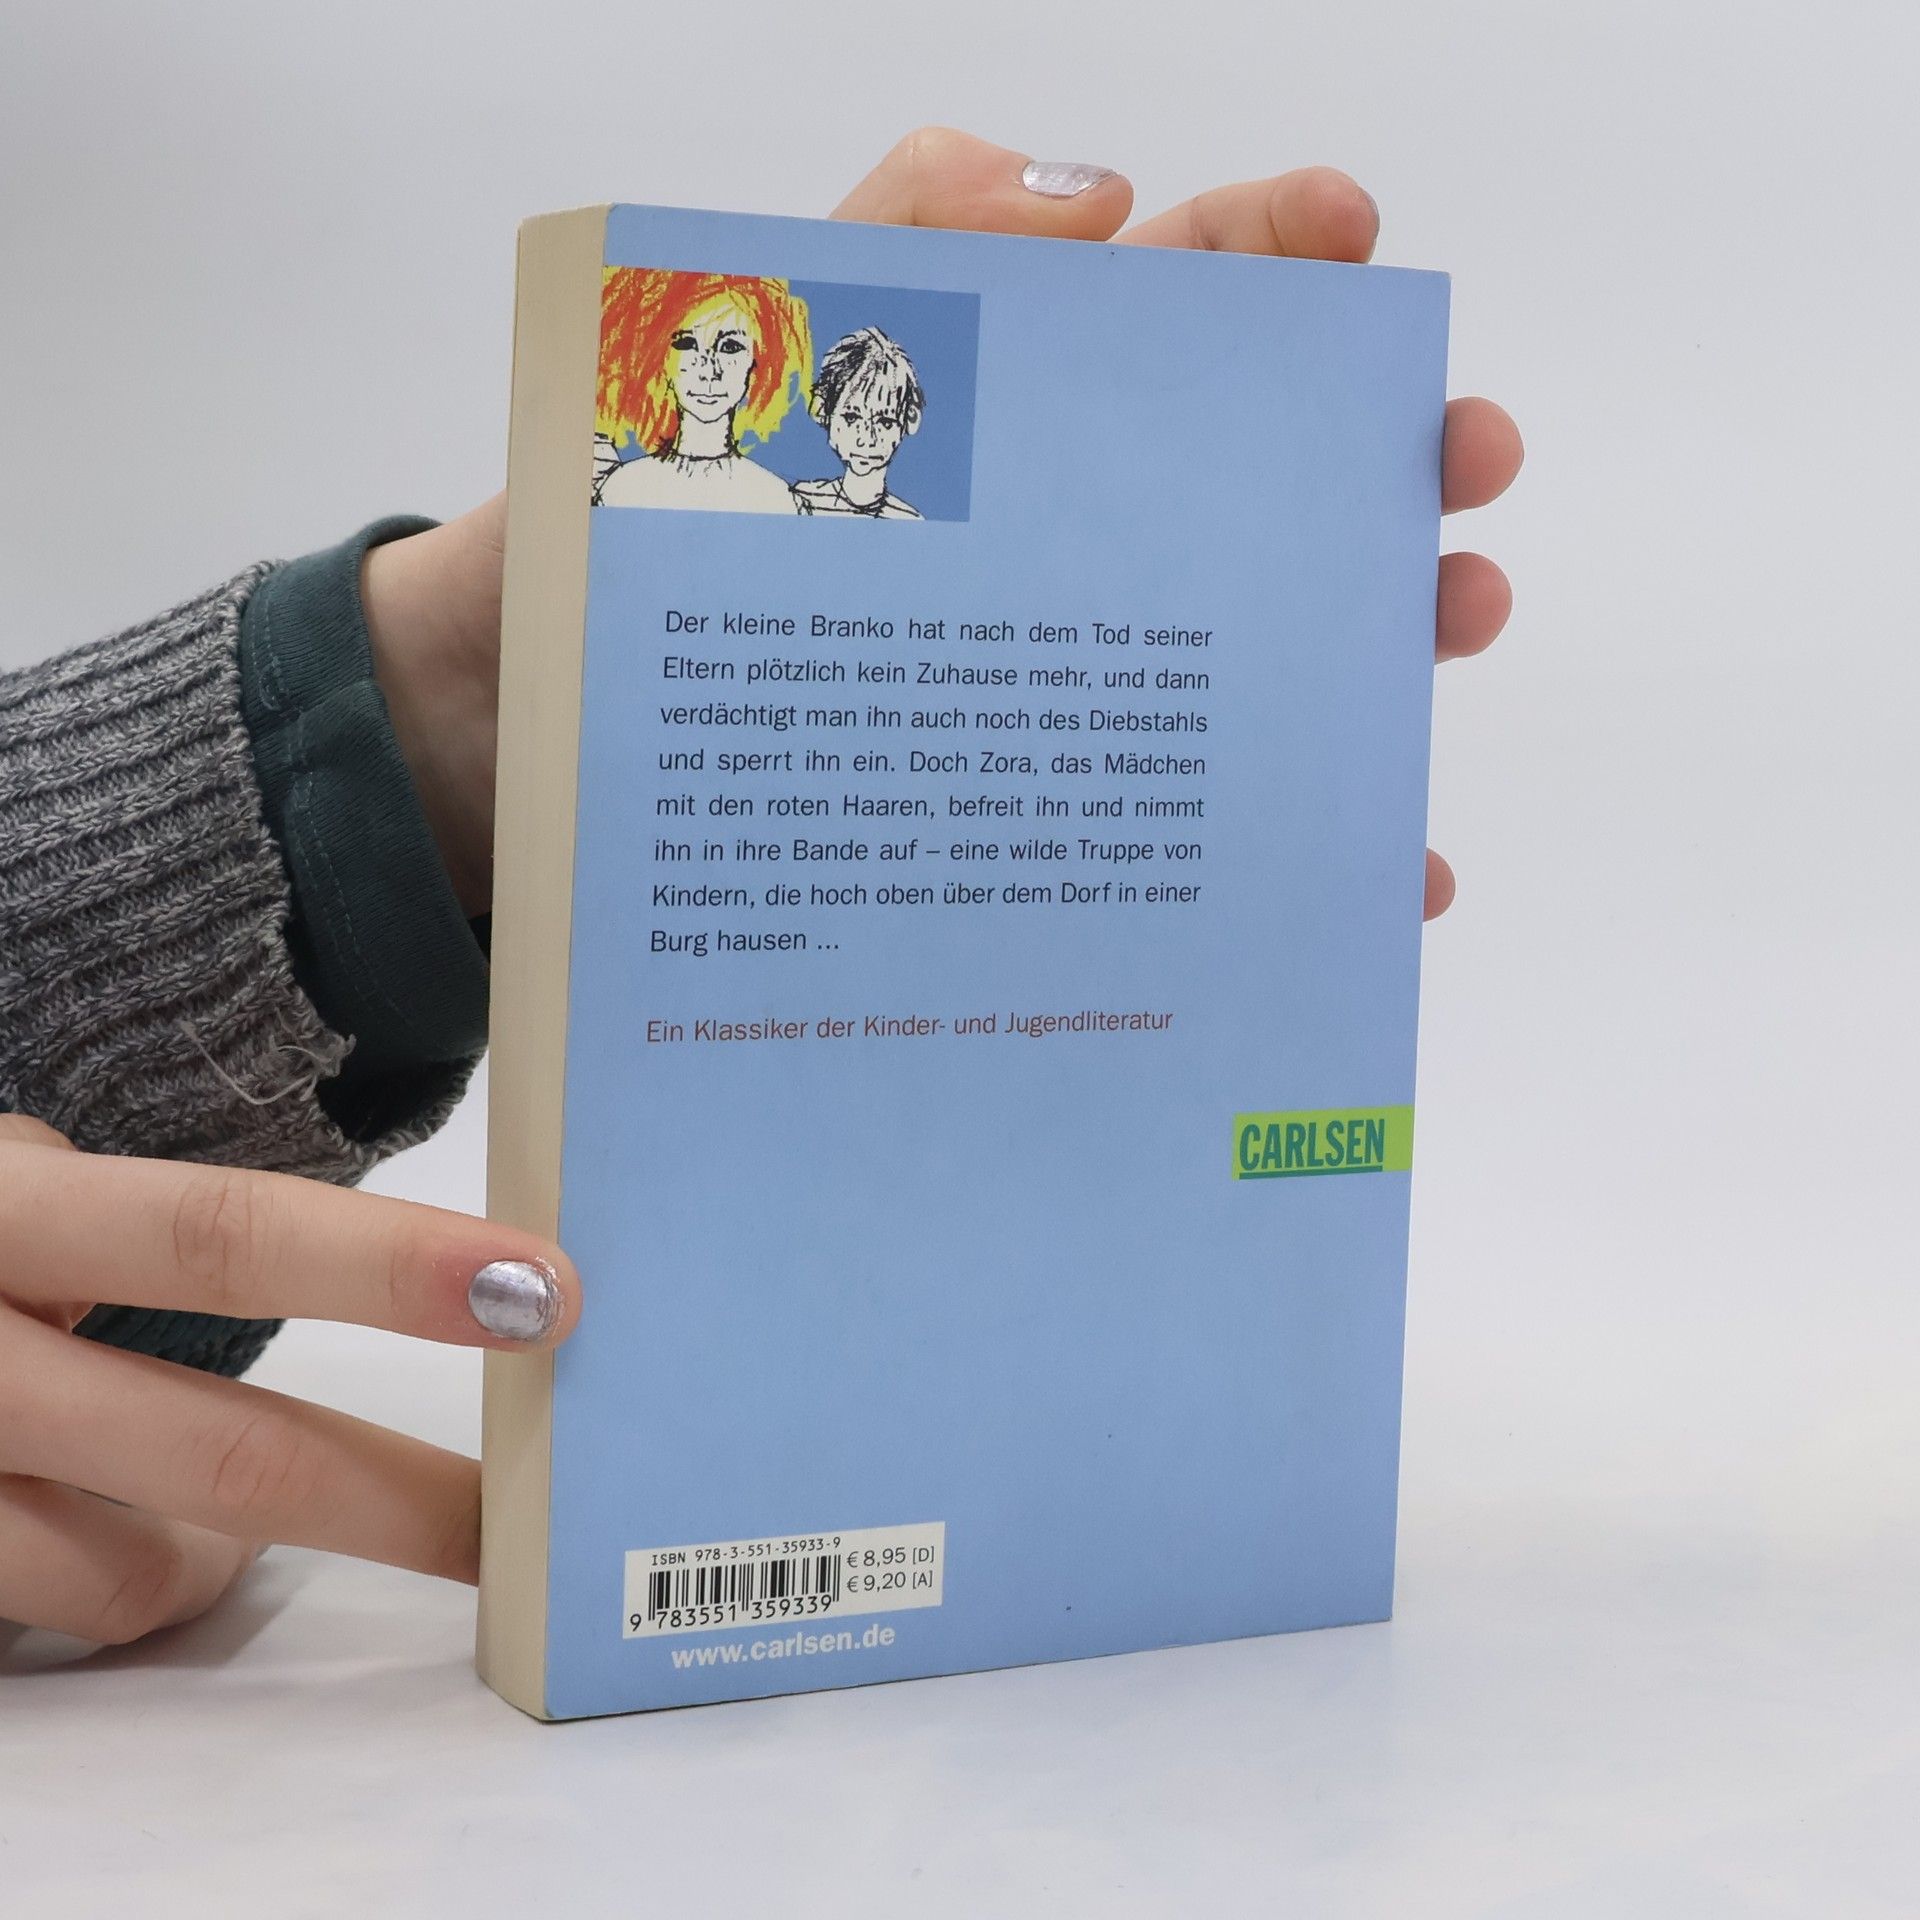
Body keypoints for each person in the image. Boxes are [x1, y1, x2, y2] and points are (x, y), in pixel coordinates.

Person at [0, 129, 1522, 1648]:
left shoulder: (813, 521)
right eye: (708, 349)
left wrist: (403, 726)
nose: (732, 373)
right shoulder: (702, 495)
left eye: (756, 352)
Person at [593, 269, 811, 514]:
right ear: (660, 358)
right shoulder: (622, 488)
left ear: (756, 362)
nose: (709, 371)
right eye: (687, 344)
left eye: (730, 347)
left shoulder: (775, 498)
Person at [793, 327, 926, 519]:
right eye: (851, 418)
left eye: (885, 422)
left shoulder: (908, 519)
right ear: (821, 410)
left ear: (911, 419)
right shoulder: (803, 500)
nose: (866, 439)